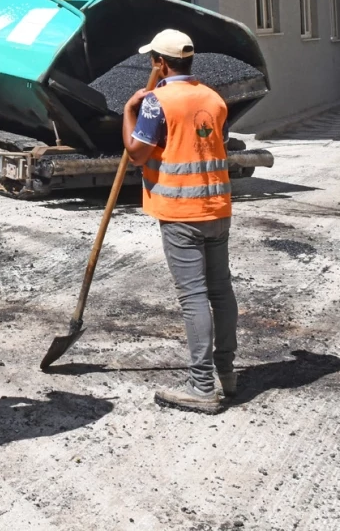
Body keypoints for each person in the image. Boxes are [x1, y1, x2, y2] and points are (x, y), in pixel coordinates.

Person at [122, 28, 237, 415]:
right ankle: (227, 371)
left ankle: (202, 385)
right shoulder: (214, 98)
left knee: (193, 297)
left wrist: (129, 111)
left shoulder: (157, 102)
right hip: (216, 207)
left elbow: (137, 153)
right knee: (220, 290)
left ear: (160, 62)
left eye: (152, 59)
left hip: (180, 213)